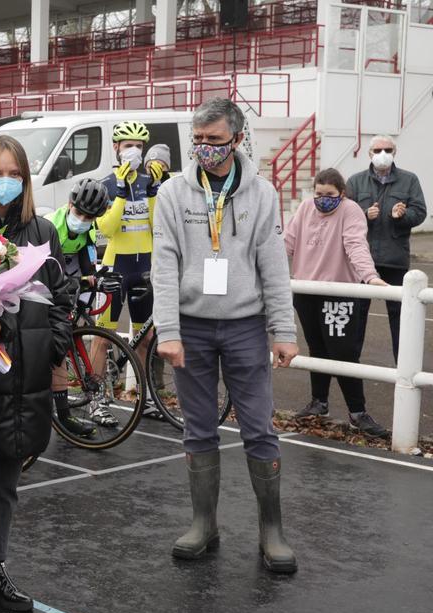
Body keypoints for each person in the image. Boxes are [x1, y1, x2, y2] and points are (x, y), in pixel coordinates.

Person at [153, 98, 299, 574]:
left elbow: (274, 265)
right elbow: (165, 265)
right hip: (191, 328)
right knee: (198, 428)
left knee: (259, 428)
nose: (204, 149)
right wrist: (168, 331)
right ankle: (203, 523)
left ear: (237, 140)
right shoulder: (174, 193)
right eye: (197, 140)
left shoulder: (262, 193)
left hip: (245, 327)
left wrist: (283, 330)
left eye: (214, 141)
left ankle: (271, 530)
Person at [0, 135, 72, 613]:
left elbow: (64, 302)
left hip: (24, 382)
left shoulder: (41, 232)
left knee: (6, 482)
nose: (4, 181)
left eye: (14, 173)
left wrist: (49, 349)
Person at [286, 168, 389, 437]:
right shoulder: (306, 208)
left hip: (338, 293)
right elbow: (287, 242)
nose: (323, 200)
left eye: (329, 195)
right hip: (306, 290)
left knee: (343, 354)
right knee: (317, 349)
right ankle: (319, 402)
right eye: (318, 194)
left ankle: (358, 412)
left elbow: (355, 244)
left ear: (341, 193)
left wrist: (370, 276)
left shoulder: (350, 210)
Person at [93, 121, 157, 426]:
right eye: (127, 145)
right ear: (116, 148)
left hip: (143, 269)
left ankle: (143, 399)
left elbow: (158, 226)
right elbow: (106, 228)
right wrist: (120, 191)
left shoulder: (149, 180)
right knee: (102, 338)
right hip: (115, 269)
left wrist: (155, 190)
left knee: (144, 339)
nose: (134, 151)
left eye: (139, 146)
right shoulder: (106, 183)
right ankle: (96, 401)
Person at [345, 134, 427, 361]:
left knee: (400, 315)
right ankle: (351, 366)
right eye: (378, 150)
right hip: (361, 259)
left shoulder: (409, 180)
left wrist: (401, 216)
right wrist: (363, 215)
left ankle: (404, 364)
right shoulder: (355, 181)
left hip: (395, 258)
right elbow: (343, 215)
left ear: (395, 153)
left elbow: (420, 212)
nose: (383, 154)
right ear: (369, 154)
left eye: (388, 150)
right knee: (357, 315)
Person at [46, 178, 115, 438]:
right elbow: (48, 274)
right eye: (79, 213)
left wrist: (94, 284)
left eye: (90, 216)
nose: (83, 219)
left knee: (67, 336)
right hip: (48, 272)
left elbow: (88, 268)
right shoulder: (52, 225)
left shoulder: (88, 230)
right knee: (52, 340)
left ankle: (64, 414)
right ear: (69, 204)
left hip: (71, 266)